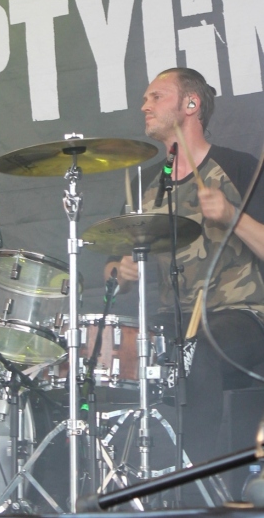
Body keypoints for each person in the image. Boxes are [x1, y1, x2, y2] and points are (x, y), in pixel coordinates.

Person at [105, 67, 264, 498]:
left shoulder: (237, 167)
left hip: (243, 316)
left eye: (156, 96)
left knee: (197, 353)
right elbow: (111, 266)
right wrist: (120, 273)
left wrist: (232, 216)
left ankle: (196, 491)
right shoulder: (143, 187)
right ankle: (136, 483)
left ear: (190, 105)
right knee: (120, 358)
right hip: (172, 321)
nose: (145, 105)